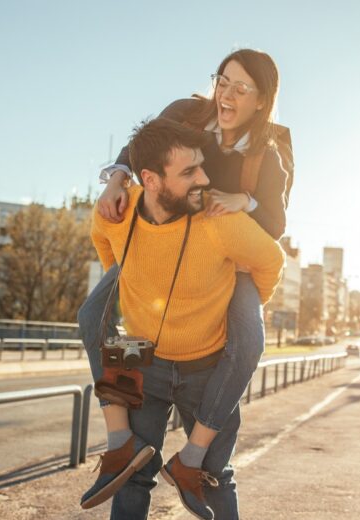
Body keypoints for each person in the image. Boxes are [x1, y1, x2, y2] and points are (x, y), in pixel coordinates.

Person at [78, 48, 292, 515]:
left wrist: (244, 201)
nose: (226, 94)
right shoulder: (186, 113)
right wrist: (116, 178)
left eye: (241, 88)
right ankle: (119, 441)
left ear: (262, 101)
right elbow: (143, 146)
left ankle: (192, 456)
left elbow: (274, 229)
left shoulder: (267, 155)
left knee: (249, 338)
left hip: (227, 264)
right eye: (223, 80)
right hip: (151, 299)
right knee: (94, 314)